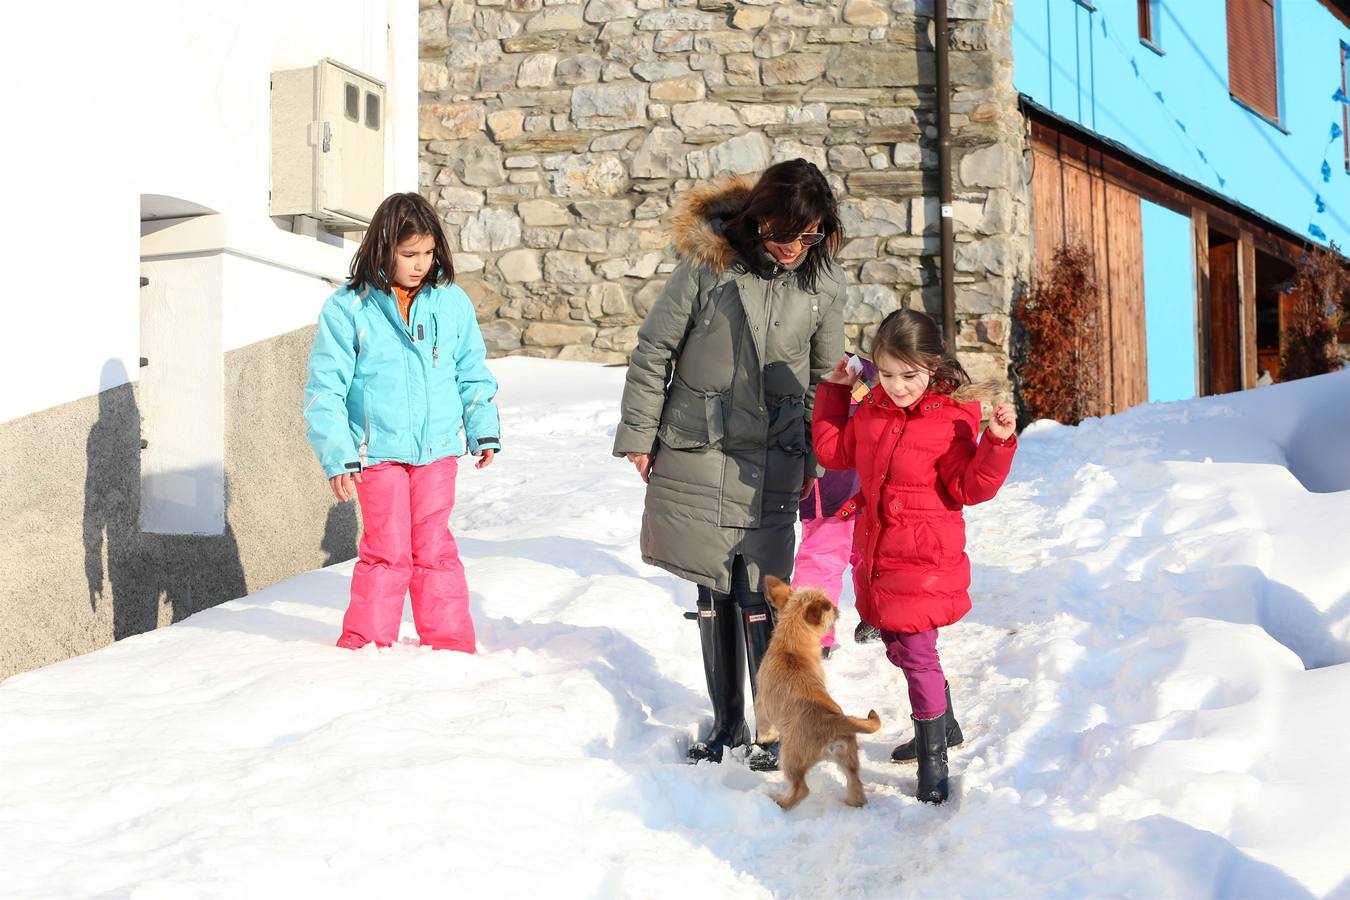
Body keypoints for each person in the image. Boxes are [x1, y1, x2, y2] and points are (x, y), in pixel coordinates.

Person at [613, 160, 846, 768]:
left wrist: (824, 459)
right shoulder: (707, 266)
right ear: (758, 217)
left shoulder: (822, 285)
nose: (796, 247)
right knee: (713, 585)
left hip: (772, 455)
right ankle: (726, 725)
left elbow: (828, 381)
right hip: (698, 443)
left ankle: (770, 730)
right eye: (785, 233)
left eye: (810, 235)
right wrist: (640, 433)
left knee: (763, 594)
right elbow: (655, 347)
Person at [813, 308, 1017, 803]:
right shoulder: (874, 411)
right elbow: (833, 452)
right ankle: (943, 727)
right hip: (882, 557)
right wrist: (837, 392)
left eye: (909, 375)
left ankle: (933, 765)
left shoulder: (951, 419)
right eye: (886, 374)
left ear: (934, 366)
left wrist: (997, 443)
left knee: (919, 655)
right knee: (903, 649)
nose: (898, 386)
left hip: (924, 559)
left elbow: (970, 486)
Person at [304, 192, 500, 652]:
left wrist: (482, 427)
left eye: (428, 254)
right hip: (378, 453)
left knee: (434, 550)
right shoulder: (349, 308)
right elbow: (325, 389)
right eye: (409, 255)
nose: (420, 264)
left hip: (437, 451)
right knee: (387, 550)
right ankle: (367, 645)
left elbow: (472, 371)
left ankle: (450, 645)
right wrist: (338, 456)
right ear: (383, 247)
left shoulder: (451, 304)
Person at [791, 353, 877, 658]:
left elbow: (871, 378)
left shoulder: (851, 365)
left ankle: (867, 617)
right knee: (839, 550)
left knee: (853, 550)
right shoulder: (799, 359)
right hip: (840, 473)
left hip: (850, 473)